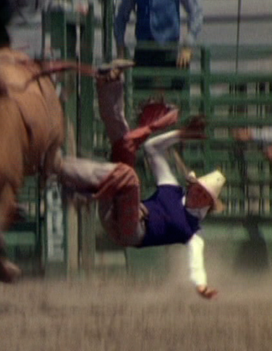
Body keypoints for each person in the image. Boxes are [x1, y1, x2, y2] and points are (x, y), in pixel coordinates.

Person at [55, 66, 226, 299]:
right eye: (198, 189)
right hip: (116, 207)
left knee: (129, 178)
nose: (198, 193)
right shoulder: (172, 189)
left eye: (203, 194)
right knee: (123, 143)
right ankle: (110, 83)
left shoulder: (192, 232)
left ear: (207, 203)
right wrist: (181, 134)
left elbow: (196, 261)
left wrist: (201, 286)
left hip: (131, 232)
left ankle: (71, 179)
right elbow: (151, 148)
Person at [114, 0, 203, 90]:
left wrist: (188, 45)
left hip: (169, 52)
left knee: (171, 99)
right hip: (144, 53)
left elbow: (195, 12)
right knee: (143, 99)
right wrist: (120, 49)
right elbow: (121, 17)